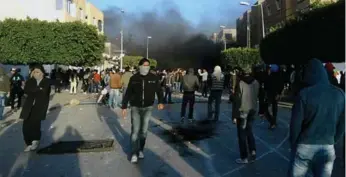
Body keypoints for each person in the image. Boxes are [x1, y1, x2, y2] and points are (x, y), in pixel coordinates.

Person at [288, 59, 345, 177]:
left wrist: (294, 144)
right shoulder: (340, 94)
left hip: (305, 145)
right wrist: (333, 141)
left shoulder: (304, 94)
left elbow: (295, 125)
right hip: (327, 146)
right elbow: (342, 124)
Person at [121, 58, 164, 163]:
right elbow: (128, 93)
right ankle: (134, 153)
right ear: (140, 66)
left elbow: (159, 90)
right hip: (135, 107)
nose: (146, 67)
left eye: (147, 65)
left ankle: (140, 150)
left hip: (148, 107)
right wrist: (124, 106)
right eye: (144, 65)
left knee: (144, 132)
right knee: (135, 131)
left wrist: (161, 102)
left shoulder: (153, 78)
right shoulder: (134, 78)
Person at [20, 65, 51, 152]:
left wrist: (37, 89)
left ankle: (35, 141)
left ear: (42, 73)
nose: (35, 73)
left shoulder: (45, 82)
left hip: (38, 107)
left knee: (35, 124)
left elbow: (44, 92)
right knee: (25, 126)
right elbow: (26, 91)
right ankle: (28, 142)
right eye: (34, 72)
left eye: (38, 72)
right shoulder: (30, 81)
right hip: (28, 107)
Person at [234, 66, 259, 164]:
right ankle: (253, 150)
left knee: (241, 134)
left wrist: (234, 115)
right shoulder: (256, 82)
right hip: (252, 109)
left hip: (243, 111)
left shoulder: (240, 83)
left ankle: (244, 157)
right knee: (249, 130)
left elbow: (237, 100)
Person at [264, 64, 284, 129]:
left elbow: (266, 86)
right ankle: (273, 122)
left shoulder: (270, 76)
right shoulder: (279, 77)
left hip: (271, 94)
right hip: (274, 94)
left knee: (267, 109)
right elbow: (281, 86)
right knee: (274, 109)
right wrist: (279, 93)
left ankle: (273, 122)